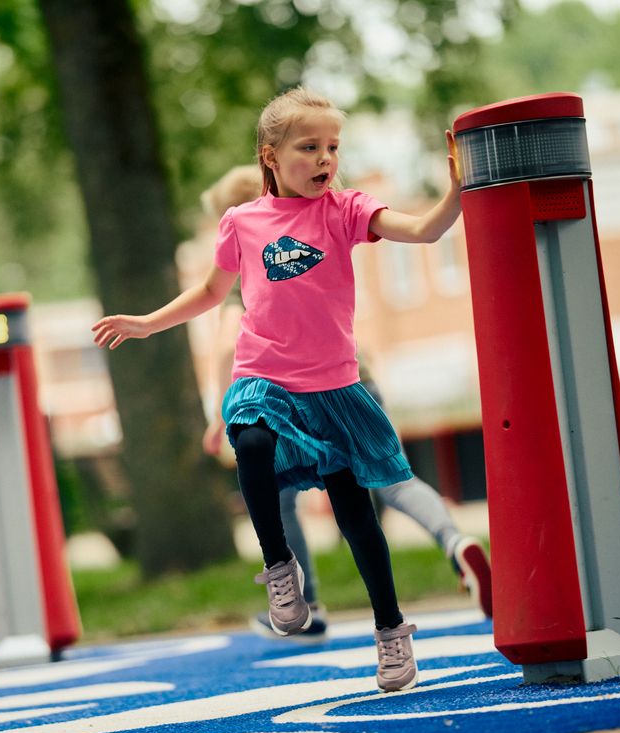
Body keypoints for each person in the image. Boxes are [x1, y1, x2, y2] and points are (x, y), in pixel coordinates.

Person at [93, 87, 463, 692]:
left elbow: (421, 231)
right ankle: (279, 568)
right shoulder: (242, 221)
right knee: (253, 442)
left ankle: (391, 632)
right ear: (270, 155)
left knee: (355, 515)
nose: (324, 159)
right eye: (309, 147)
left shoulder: (345, 210)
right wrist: (145, 322)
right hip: (264, 375)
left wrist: (455, 194)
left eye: (332, 148)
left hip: (335, 389)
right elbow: (213, 293)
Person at [199, 168, 494, 644]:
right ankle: (454, 542)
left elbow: (224, 342)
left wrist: (220, 413)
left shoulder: (251, 255)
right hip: (357, 383)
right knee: (394, 480)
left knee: (276, 492)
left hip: (294, 397)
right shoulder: (317, 222)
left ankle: (306, 601)